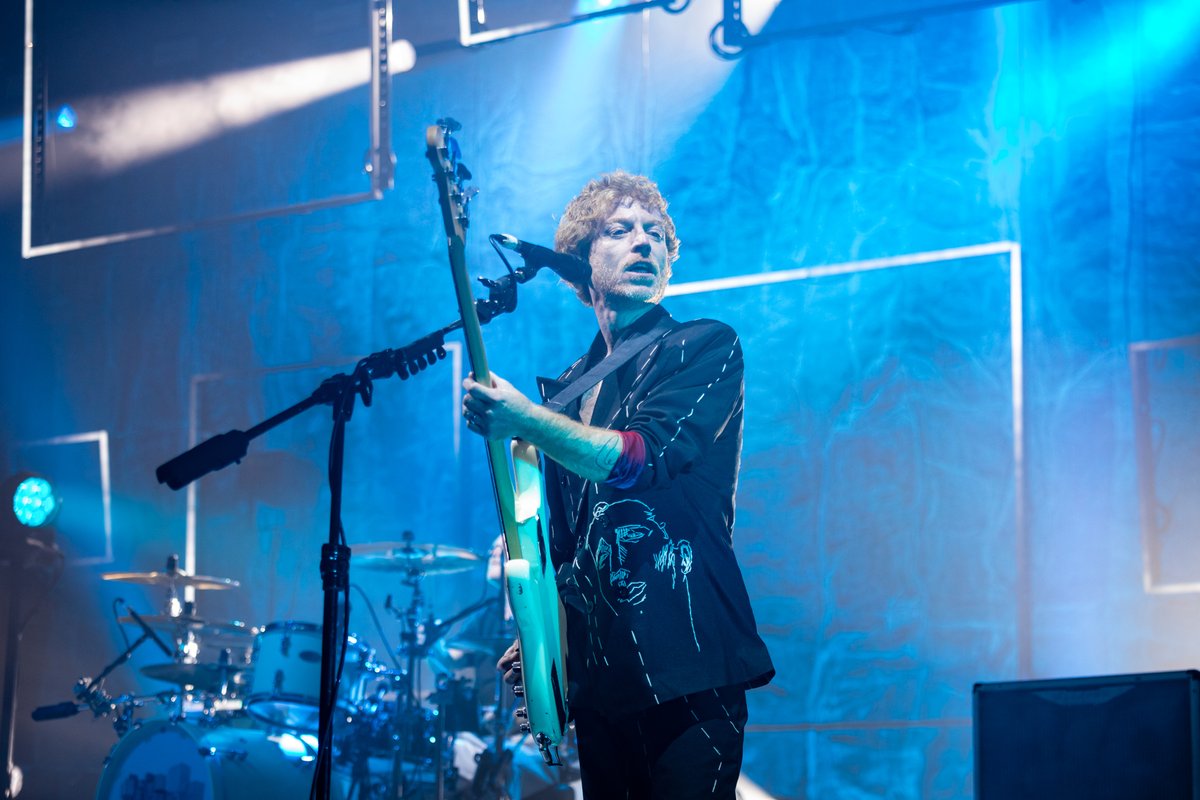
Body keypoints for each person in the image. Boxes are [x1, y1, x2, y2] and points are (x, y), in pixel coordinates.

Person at [461, 171, 774, 799]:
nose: (644, 244)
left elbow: (640, 460)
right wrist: (544, 634)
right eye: (621, 231)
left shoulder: (701, 346)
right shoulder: (571, 387)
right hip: (604, 688)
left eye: (655, 234)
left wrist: (526, 419)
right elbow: (571, 553)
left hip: (688, 670)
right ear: (580, 260)